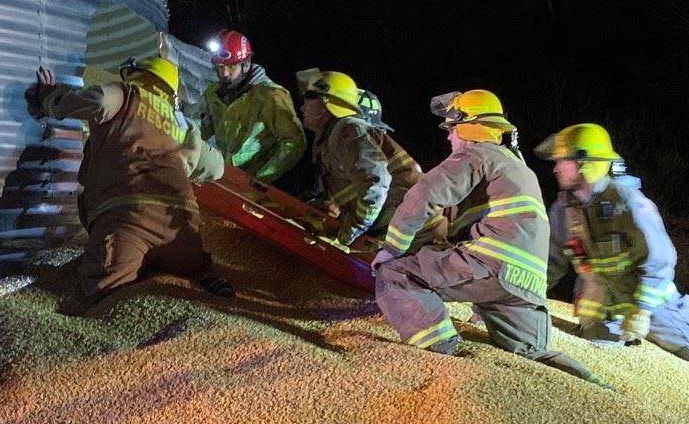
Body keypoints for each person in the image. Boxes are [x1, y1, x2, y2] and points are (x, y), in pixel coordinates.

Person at [373, 91, 601, 383]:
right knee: (530, 353)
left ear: (468, 126)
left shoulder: (478, 153)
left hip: (492, 266)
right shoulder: (519, 169)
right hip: (528, 285)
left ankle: (440, 358)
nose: (448, 138)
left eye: (451, 128)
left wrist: (392, 248)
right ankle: (595, 386)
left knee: (396, 275)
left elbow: (425, 194)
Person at [538, 124, 689, 382]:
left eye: (563, 160)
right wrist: (526, 297)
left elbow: (660, 261)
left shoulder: (627, 202)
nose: (555, 167)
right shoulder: (563, 210)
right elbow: (550, 262)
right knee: (602, 366)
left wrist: (642, 310)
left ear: (585, 163)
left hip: (655, 305)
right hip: (605, 308)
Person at [26, 64, 232, 304]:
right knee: (188, 267)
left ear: (137, 76)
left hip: (128, 221)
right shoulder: (182, 125)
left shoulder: (128, 94)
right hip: (183, 234)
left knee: (102, 294)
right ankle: (202, 275)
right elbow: (217, 168)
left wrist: (52, 99)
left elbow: (100, 102)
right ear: (170, 92)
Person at [296, 70, 423, 244]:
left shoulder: (347, 131)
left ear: (325, 103)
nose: (303, 107)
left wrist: (351, 230)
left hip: (409, 233)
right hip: (395, 228)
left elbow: (375, 182)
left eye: (309, 98)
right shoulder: (330, 137)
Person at [201, 29, 303, 182]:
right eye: (220, 67)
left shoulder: (270, 95)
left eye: (231, 67)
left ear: (246, 65)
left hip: (255, 183)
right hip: (225, 176)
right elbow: (203, 131)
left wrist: (261, 179)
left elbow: (294, 142)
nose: (225, 74)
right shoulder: (213, 94)